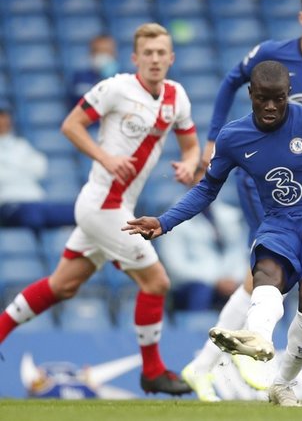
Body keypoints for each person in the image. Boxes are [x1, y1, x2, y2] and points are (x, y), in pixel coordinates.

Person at [123, 60, 302, 406]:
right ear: (251, 94)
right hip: (279, 221)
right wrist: (164, 221)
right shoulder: (233, 137)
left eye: (278, 98)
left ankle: (283, 382)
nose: (270, 106)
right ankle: (256, 342)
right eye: (262, 98)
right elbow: (206, 189)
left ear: (288, 94)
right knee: (266, 274)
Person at [180, 0, 302, 401]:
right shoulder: (272, 55)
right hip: (264, 182)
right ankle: (236, 352)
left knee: (273, 277)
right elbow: (230, 82)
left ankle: (205, 364)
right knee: (267, 271)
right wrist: (210, 141)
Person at [0, 23, 200, 396]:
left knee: (64, 285)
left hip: (118, 205)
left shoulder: (178, 97)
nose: (155, 59)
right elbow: (71, 125)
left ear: (171, 58)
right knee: (157, 282)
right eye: (148, 53)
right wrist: (105, 157)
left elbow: (190, 146)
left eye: (162, 53)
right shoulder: (115, 88)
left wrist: (189, 164)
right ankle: (153, 371)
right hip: (101, 205)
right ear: (135, 58)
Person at [157, 170, 248, 312]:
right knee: (201, 291)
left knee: (253, 290)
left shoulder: (228, 215)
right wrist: (214, 281)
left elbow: (238, 253)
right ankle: (197, 331)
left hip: (228, 283)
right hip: (191, 286)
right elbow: (175, 265)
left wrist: (234, 279)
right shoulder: (171, 218)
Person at [0, 107, 74, 230]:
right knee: (34, 214)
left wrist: (12, 168)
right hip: (9, 204)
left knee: (76, 212)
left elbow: (40, 169)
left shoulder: (20, 145)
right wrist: (22, 169)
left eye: (5, 118)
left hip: (37, 201)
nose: (4, 122)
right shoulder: (21, 150)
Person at [69, 34, 119, 106]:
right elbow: (83, 104)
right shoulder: (81, 78)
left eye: (108, 51)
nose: (105, 55)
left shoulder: (122, 79)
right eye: (101, 51)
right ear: (91, 53)